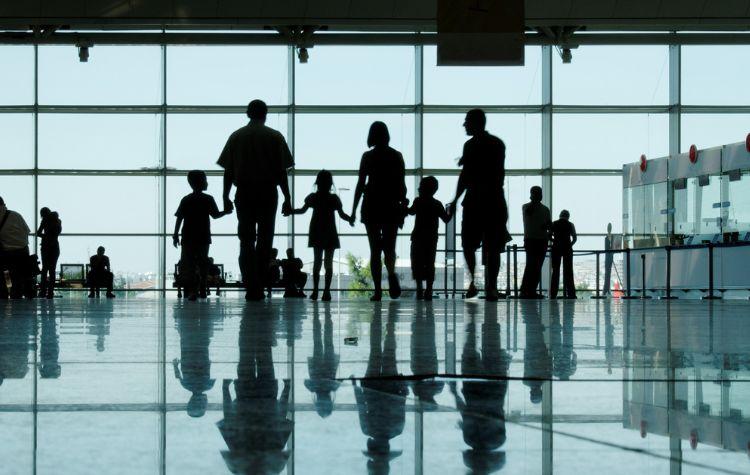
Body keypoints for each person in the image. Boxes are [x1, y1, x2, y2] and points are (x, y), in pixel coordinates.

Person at [218, 99, 294, 301]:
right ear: (265, 114)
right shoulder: (275, 137)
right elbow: (281, 172)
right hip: (268, 193)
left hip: (244, 193)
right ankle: (259, 285)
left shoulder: (236, 137)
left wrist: (225, 196)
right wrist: (287, 197)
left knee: (246, 241)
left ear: (247, 113)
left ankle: (250, 285)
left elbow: (228, 171)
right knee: (264, 241)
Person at [447, 109, 509, 302]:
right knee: (493, 245)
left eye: (466, 121)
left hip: (475, 201)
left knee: (468, 244)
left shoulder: (471, 146)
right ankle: (490, 286)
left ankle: (474, 281)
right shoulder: (497, 144)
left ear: (475, 122)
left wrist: (456, 199)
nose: (464, 125)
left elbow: (465, 176)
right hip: (494, 201)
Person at [351, 121, 408, 302]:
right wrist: (402, 205)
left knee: (375, 250)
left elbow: (360, 184)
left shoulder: (367, 157)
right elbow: (402, 185)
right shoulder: (396, 156)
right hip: (391, 206)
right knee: (389, 248)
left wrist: (353, 210)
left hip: (372, 206)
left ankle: (377, 291)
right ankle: (391, 273)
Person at [352, 303, 406, 474]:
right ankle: (377, 319)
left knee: (390, 350)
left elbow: (401, 402)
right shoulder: (367, 429)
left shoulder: (397, 429)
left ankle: (389, 320)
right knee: (375, 350)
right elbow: (361, 405)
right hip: (372, 385)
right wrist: (355, 386)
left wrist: (403, 385)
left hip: (391, 385)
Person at [290, 170, 354, 301]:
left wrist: (290, 210)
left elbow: (302, 211)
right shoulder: (334, 199)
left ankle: (315, 291)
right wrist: (350, 219)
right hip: (330, 231)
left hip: (316, 231)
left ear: (317, 182)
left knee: (317, 262)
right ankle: (326, 292)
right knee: (328, 263)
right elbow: (342, 215)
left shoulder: (313, 197)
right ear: (330, 183)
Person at [173, 170, 231, 301]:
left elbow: (179, 218)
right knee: (203, 262)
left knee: (190, 264)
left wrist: (175, 234)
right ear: (201, 182)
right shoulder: (208, 199)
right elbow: (215, 215)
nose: (207, 182)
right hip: (203, 235)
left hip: (187, 235)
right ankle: (203, 288)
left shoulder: (186, 199)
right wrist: (226, 212)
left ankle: (193, 291)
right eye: (205, 180)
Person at [407, 176, 450, 301]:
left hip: (418, 236)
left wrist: (403, 205)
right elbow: (446, 219)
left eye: (420, 186)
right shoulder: (437, 204)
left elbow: (410, 212)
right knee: (429, 263)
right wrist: (450, 210)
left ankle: (420, 288)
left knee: (416, 262)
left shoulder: (418, 201)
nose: (418, 188)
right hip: (431, 238)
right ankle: (429, 290)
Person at [304, 304, 341, 418]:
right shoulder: (312, 387)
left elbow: (339, 381)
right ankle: (317, 315)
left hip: (329, 362)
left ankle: (327, 315)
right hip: (317, 362)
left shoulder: (333, 387)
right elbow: (306, 382)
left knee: (328, 340)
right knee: (318, 340)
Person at [520, 186, 551, 299]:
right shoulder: (543, 209)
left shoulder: (526, 207)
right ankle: (529, 290)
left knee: (532, 265)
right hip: (540, 240)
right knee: (535, 266)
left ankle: (527, 290)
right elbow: (549, 225)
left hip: (531, 239)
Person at [0, 196, 32, 299]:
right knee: (20, 275)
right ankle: (17, 294)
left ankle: (6, 291)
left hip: (6, 253)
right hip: (22, 251)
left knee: (6, 274)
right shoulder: (16, 215)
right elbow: (27, 231)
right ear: (4, 204)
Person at [549, 209, 578, 299]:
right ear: (568, 216)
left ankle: (553, 294)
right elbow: (575, 238)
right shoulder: (570, 225)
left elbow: (549, 236)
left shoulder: (554, 223)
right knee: (568, 271)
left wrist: (555, 241)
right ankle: (571, 293)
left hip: (556, 248)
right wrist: (569, 245)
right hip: (567, 249)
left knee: (555, 271)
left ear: (560, 215)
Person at [36, 207, 62, 299]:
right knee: (52, 270)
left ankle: (43, 292)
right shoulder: (58, 221)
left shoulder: (44, 221)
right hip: (55, 246)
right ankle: (50, 293)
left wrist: (45, 237)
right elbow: (57, 233)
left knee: (44, 270)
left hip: (45, 247)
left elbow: (38, 233)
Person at [603, 223, 614, 296]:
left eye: (609, 227)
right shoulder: (607, 237)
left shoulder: (611, 237)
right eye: (609, 227)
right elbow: (606, 248)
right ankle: (606, 290)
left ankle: (606, 290)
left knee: (608, 273)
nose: (609, 229)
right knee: (607, 273)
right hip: (608, 256)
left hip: (610, 256)